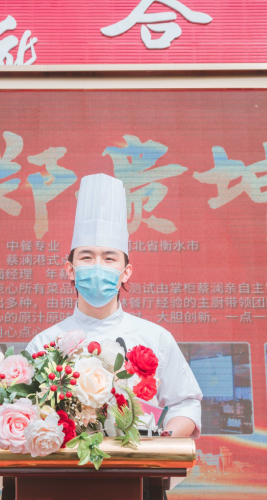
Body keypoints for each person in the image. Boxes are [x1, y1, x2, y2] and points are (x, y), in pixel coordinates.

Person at [26, 174, 203, 438]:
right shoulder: (44, 344)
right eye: (87, 257)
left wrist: (159, 445)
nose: (98, 266)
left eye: (109, 259)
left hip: (140, 460)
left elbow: (186, 403)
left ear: (126, 272)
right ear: (70, 270)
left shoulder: (156, 338)